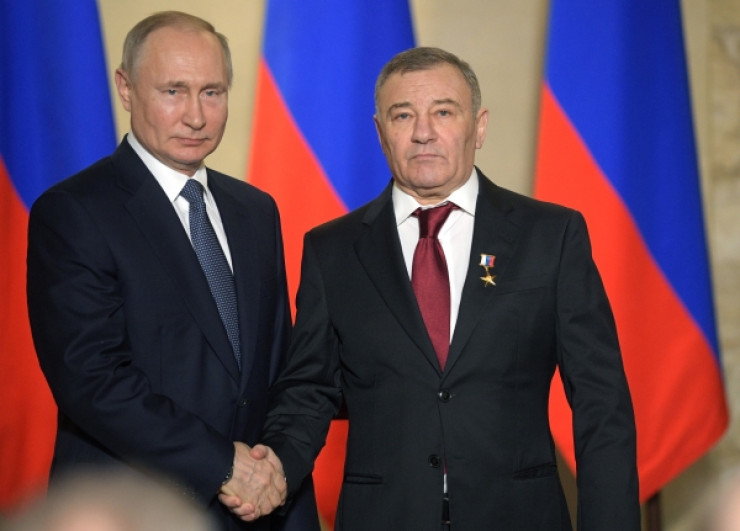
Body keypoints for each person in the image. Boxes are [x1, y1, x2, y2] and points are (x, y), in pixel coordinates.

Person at [226, 46, 640, 529]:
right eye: (403, 115)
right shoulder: (332, 249)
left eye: (444, 112)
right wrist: (274, 471)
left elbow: (600, 402)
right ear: (381, 133)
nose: (423, 132)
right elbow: (309, 391)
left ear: (479, 127)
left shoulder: (550, 236)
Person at [26, 11, 318, 531]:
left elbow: (278, 365)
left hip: (259, 509)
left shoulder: (255, 210)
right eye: (173, 91)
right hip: (133, 509)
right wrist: (223, 466)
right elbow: (92, 379)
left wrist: (274, 469)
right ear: (126, 88)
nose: (196, 116)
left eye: (212, 92)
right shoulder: (74, 211)